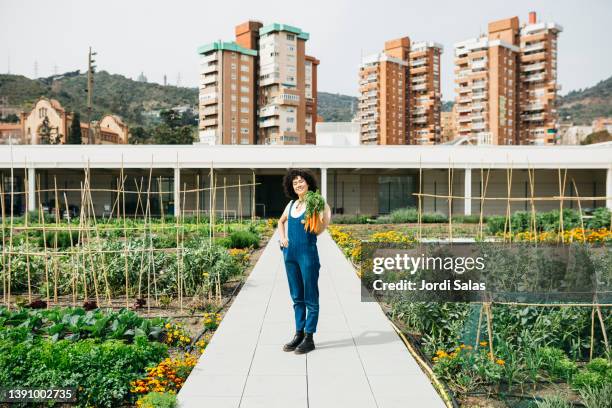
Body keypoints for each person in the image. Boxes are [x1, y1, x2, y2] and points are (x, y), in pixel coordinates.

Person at [277, 168, 331, 354]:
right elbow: (280, 221)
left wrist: (319, 223)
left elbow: (324, 221)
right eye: (294, 182)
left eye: (301, 181)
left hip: (307, 254)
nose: (298, 184)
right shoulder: (291, 204)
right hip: (290, 255)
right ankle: (298, 333)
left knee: (310, 297)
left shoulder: (315, 202)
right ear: (291, 186)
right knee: (296, 296)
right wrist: (282, 239)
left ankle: (309, 337)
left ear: (308, 183)